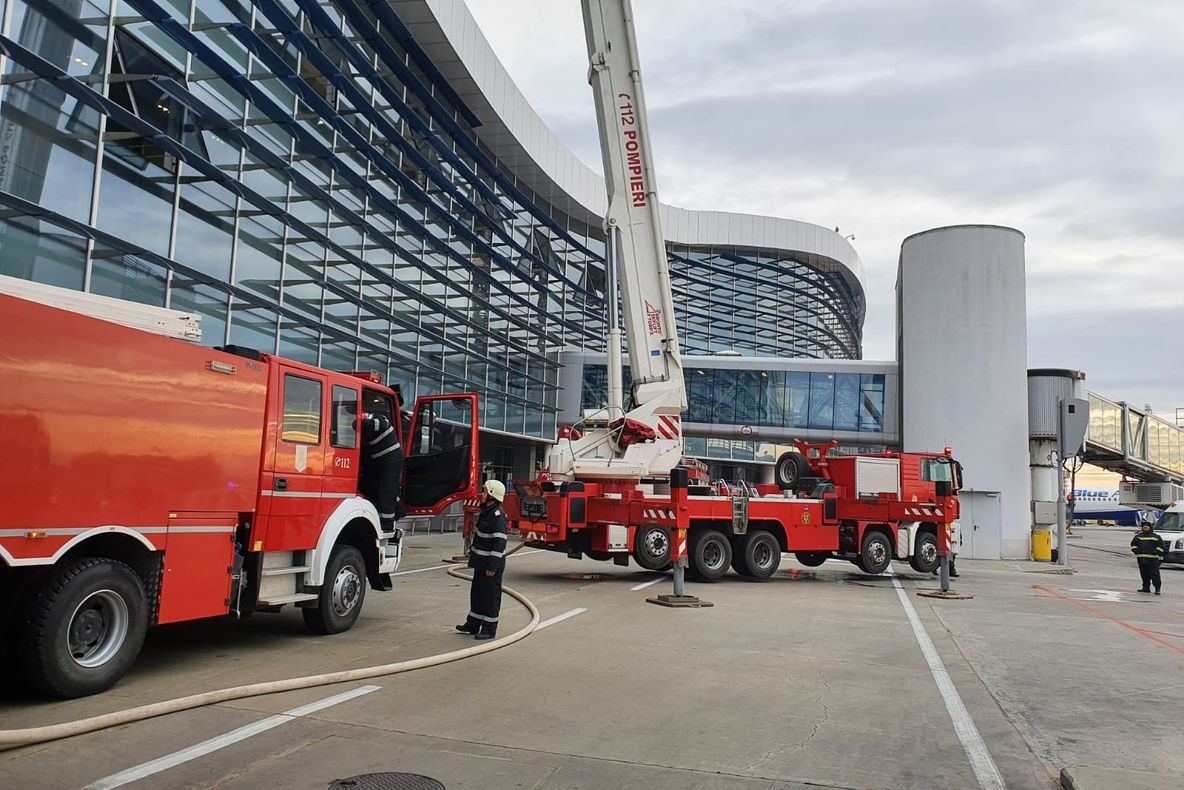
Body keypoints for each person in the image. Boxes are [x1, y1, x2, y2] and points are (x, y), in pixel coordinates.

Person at [456, 480, 508, 640]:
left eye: (484, 491)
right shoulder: (486, 512)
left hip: (490, 565)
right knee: (477, 594)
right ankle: (473, 624)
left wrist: (493, 566)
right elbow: (480, 535)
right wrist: (472, 549)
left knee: (489, 597)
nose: (482, 494)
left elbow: (499, 542)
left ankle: (489, 628)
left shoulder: (497, 515)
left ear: (492, 495)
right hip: (480, 562)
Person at [359, 410, 405, 533]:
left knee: (387, 489)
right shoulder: (370, 427)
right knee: (373, 486)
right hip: (378, 460)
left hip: (390, 459)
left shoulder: (379, 418)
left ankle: (387, 523)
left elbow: (379, 425)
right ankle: (399, 510)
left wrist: (359, 423)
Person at [1131, 518, 1165, 594]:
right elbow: (1133, 545)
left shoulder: (1156, 537)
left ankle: (1157, 589)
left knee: (1155, 575)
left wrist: (1155, 552)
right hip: (1141, 559)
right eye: (1144, 526)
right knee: (1144, 574)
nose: (1145, 527)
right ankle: (1146, 587)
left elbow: (1161, 547)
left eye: (1147, 526)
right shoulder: (1138, 536)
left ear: (1150, 527)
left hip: (1152, 560)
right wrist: (1135, 550)